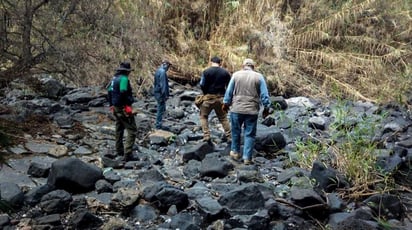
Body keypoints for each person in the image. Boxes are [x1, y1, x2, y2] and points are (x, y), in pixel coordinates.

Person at [222, 58, 272, 164]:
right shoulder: (259, 77)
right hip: (252, 110)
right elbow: (264, 95)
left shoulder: (236, 75)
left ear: (243, 66)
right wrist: (266, 108)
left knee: (236, 131)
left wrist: (226, 103)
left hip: (236, 108)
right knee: (249, 134)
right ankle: (247, 158)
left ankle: (235, 152)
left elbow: (229, 92)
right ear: (253, 66)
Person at [107, 61, 138, 161]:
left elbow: (109, 92)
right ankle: (128, 154)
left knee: (119, 128)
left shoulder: (114, 79)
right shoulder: (124, 79)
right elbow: (123, 91)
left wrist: (111, 105)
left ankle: (119, 150)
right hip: (122, 107)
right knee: (132, 130)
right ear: (126, 71)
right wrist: (128, 103)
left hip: (115, 107)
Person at [198, 56, 231, 142]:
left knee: (203, 116)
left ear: (211, 62)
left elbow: (202, 84)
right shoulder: (225, 73)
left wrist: (205, 92)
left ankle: (206, 135)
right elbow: (229, 87)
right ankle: (229, 136)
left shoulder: (206, 71)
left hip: (208, 98)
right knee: (223, 118)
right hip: (220, 98)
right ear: (220, 63)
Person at [153, 59, 171, 130]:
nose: (168, 68)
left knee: (160, 108)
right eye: (168, 66)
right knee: (160, 109)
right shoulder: (163, 72)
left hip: (157, 92)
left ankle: (159, 124)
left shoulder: (158, 70)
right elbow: (163, 85)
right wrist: (165, 95)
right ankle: (158, 125)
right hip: (160, 94)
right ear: (165, 65)